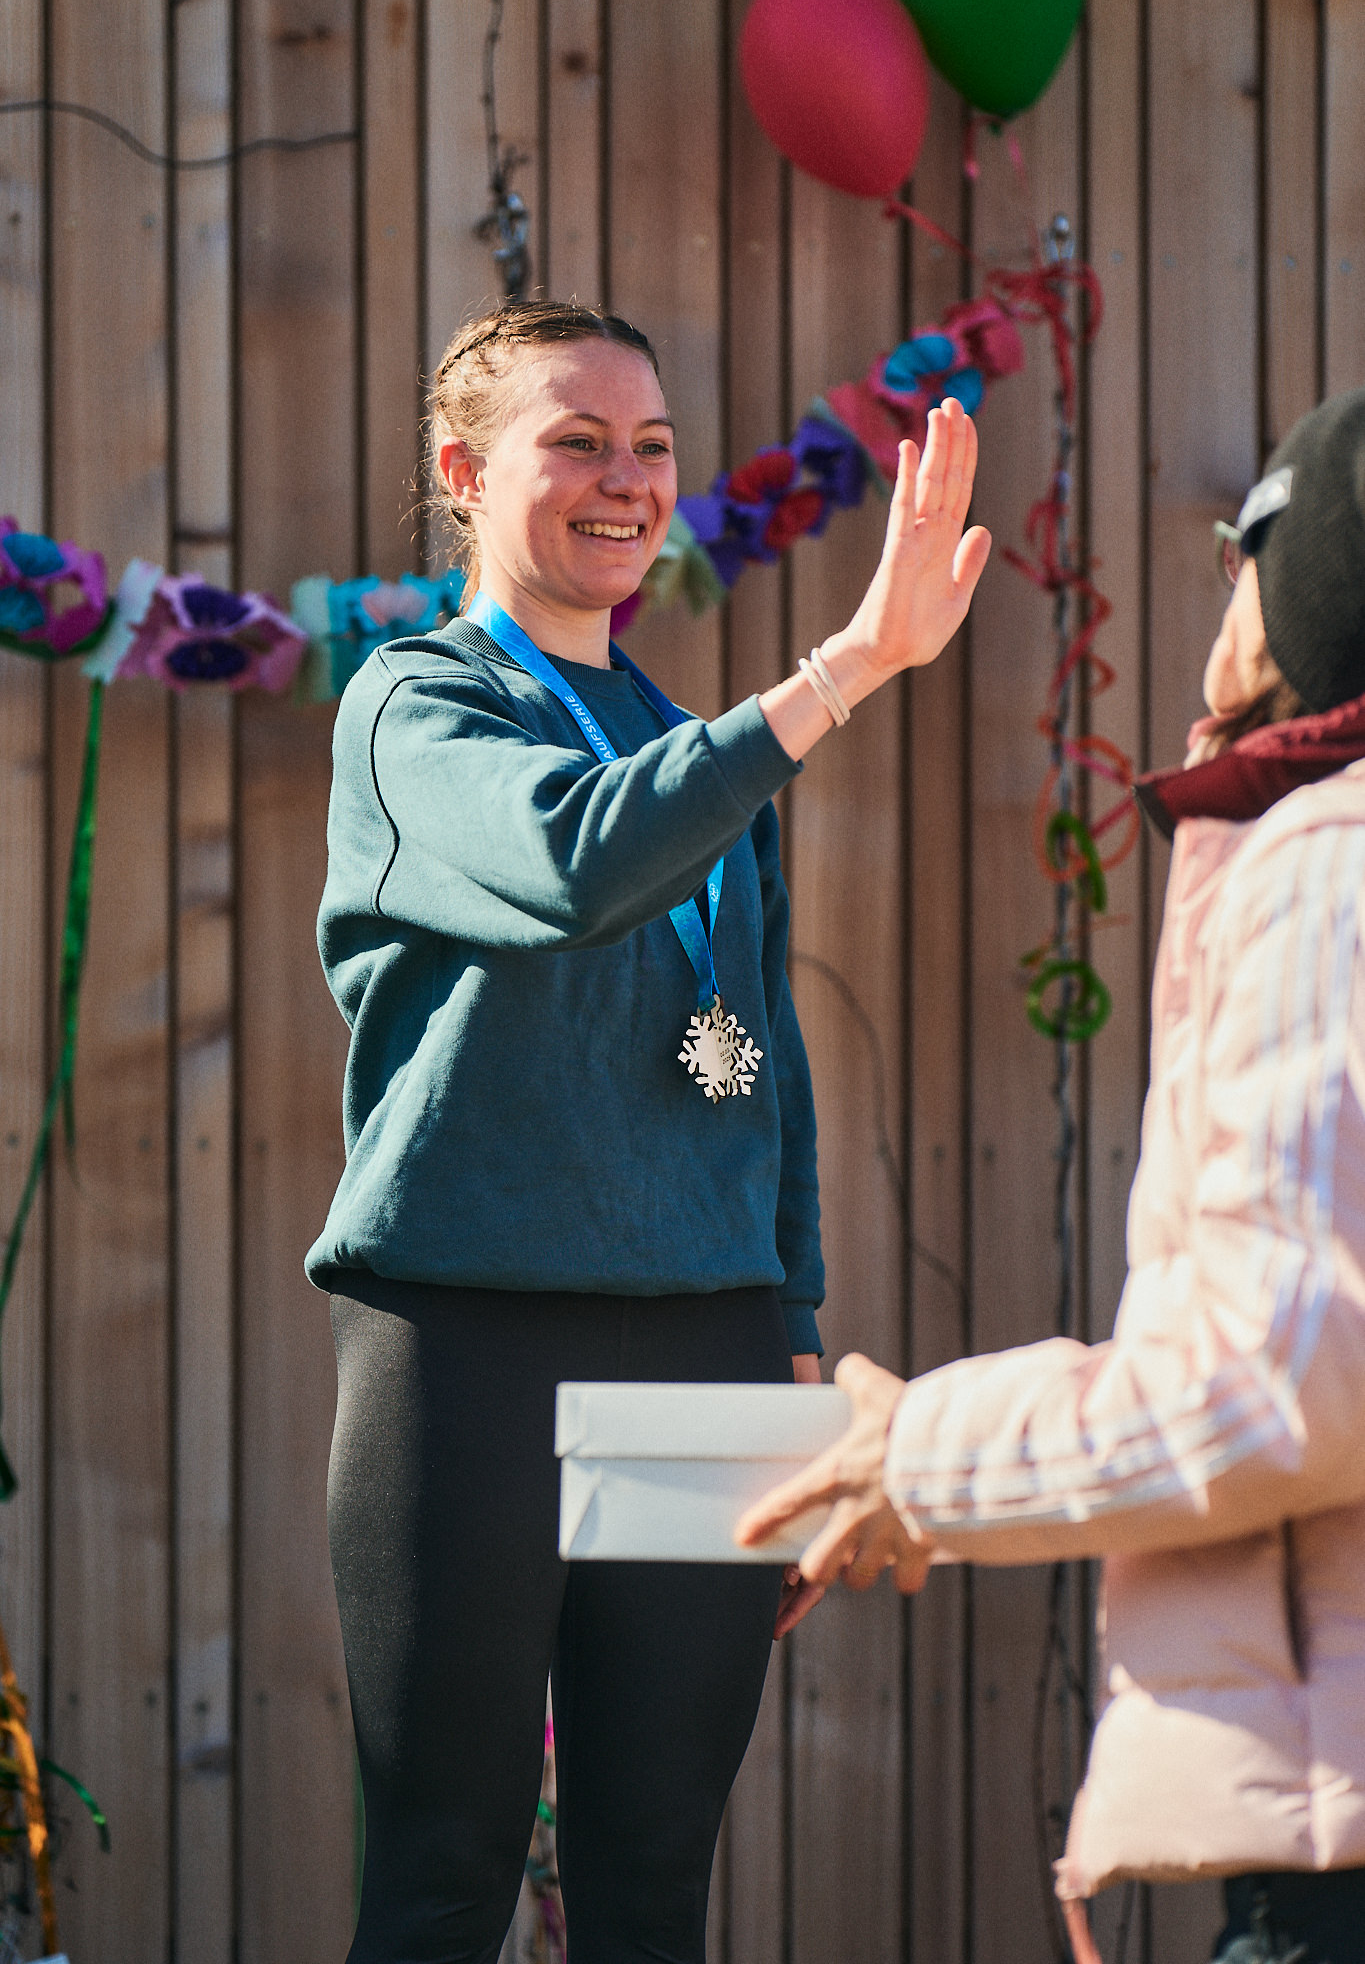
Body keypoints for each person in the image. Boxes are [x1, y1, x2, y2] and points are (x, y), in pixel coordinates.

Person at [308, 298, 991, 1964]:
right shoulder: (413, 707)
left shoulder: (681, 741)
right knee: (441, 1879)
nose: (624, 482)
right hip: (465, 1348)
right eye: (576, 442)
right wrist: (841, 671)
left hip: (701, 1347)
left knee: (652, 1882)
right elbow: (572, 863)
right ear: (466, 475)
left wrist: (798, 1344)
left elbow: (759, 1072)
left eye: (652, 447)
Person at [739, 385, 1365, 1964]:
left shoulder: (1333, 865)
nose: (1217, 593)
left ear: (1315, 583)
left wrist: (918, 1457)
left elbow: (1273, 1373)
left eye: (1241, 557)